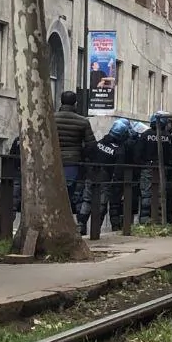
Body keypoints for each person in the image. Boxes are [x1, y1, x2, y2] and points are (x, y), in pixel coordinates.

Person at [77, 119, 130, 235]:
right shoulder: (119, 150)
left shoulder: (100, 142)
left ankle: (80, 226)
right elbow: (118, 171)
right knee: (101, 205)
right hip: (105, 179)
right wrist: (116, 187)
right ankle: (95, 229)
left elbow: (87, 153)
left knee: (86, 201)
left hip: (91, 176)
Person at [54, 90, 96, 219]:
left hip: (53, 160)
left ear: (61, 101)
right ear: (75, 103)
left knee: (54, 189)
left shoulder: (51, 118)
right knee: (71, 191)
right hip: (73, 160)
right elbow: (91, 145)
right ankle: (70, 219)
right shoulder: (83, 121)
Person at [139, 112, 172, 224]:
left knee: (146, 194)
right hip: (162, 169)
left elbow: (138, 153)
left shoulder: (145, 135)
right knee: (161, 194)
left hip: (147, 167)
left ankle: (145, 220)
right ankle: (159, 219)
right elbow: (171, 154)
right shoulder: (168, 137)